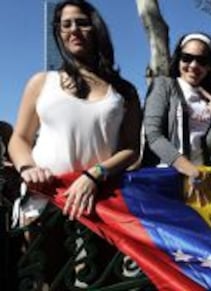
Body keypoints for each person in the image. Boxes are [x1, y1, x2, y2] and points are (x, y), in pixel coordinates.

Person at [8, 0, 141, 221]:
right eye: (66, 25)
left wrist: (94, 175)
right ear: (59, 34)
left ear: (96, 28)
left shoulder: (124, 91)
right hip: (44, 201)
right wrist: (27, 168)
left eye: (82, 23)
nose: (74, 30)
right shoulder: (41, 82)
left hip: (100, 203)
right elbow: (20, 138)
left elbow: (131, 149)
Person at [142, 32, 211, 202]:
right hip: (165, 179)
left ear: (210, 67)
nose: (193, 65)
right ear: (178, 59)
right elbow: (153, 136)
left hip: (199, 183)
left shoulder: (210, 99)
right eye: (187, 58)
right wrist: (189, 169)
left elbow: (206, 150)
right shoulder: (164, 85)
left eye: (202, 61)